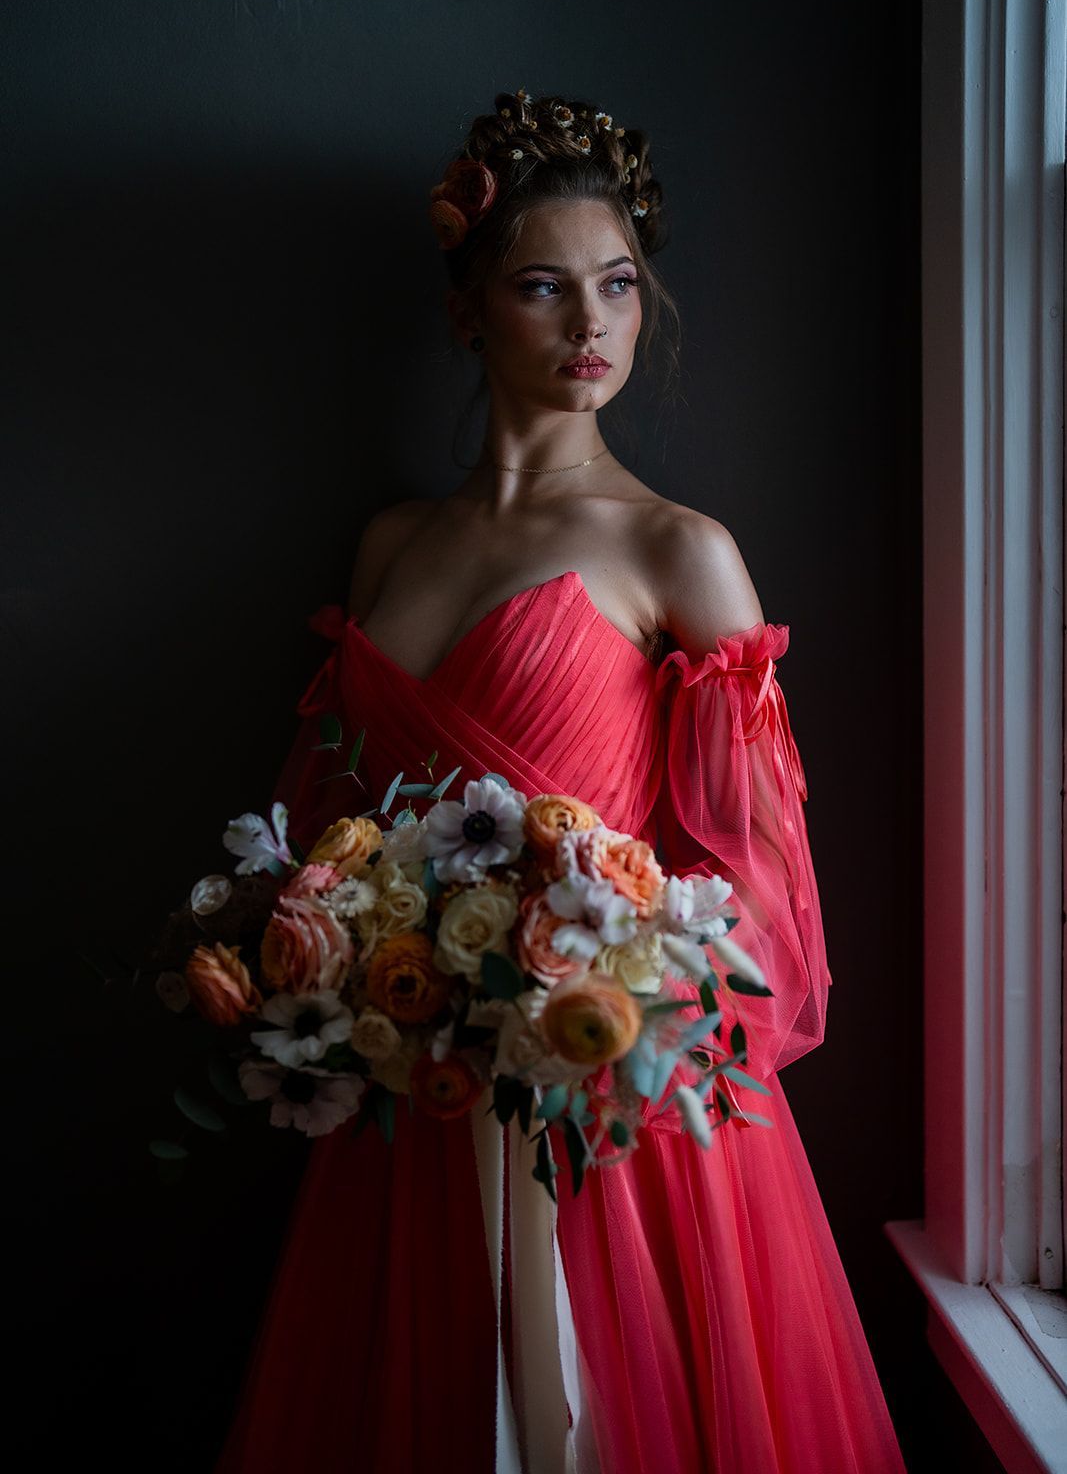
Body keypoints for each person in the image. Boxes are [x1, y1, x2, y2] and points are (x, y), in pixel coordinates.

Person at [214, 89, 907, 1473]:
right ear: (471, 311)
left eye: (619, 287)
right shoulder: (390, 547)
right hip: (416, 1087)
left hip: (612, 1092)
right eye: (544, 287)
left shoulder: (677, 550)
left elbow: (763, 882)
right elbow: (330, 829)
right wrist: (345, 956)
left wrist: (599, 1001)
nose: (593, 325)